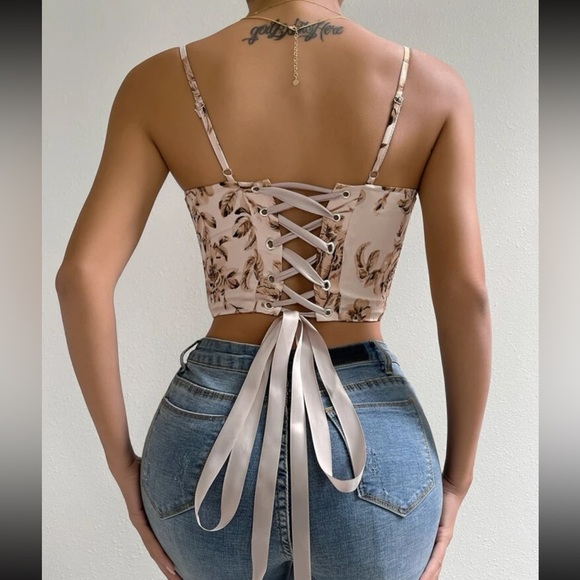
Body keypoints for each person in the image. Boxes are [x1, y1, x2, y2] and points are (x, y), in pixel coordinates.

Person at [55, 0, 492, 578]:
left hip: (207, 437)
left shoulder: (159, 81)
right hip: (371, 444)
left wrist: (123, 466)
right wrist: (457, 481)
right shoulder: (432, 86)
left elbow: (81, 278)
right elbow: (467, 294)